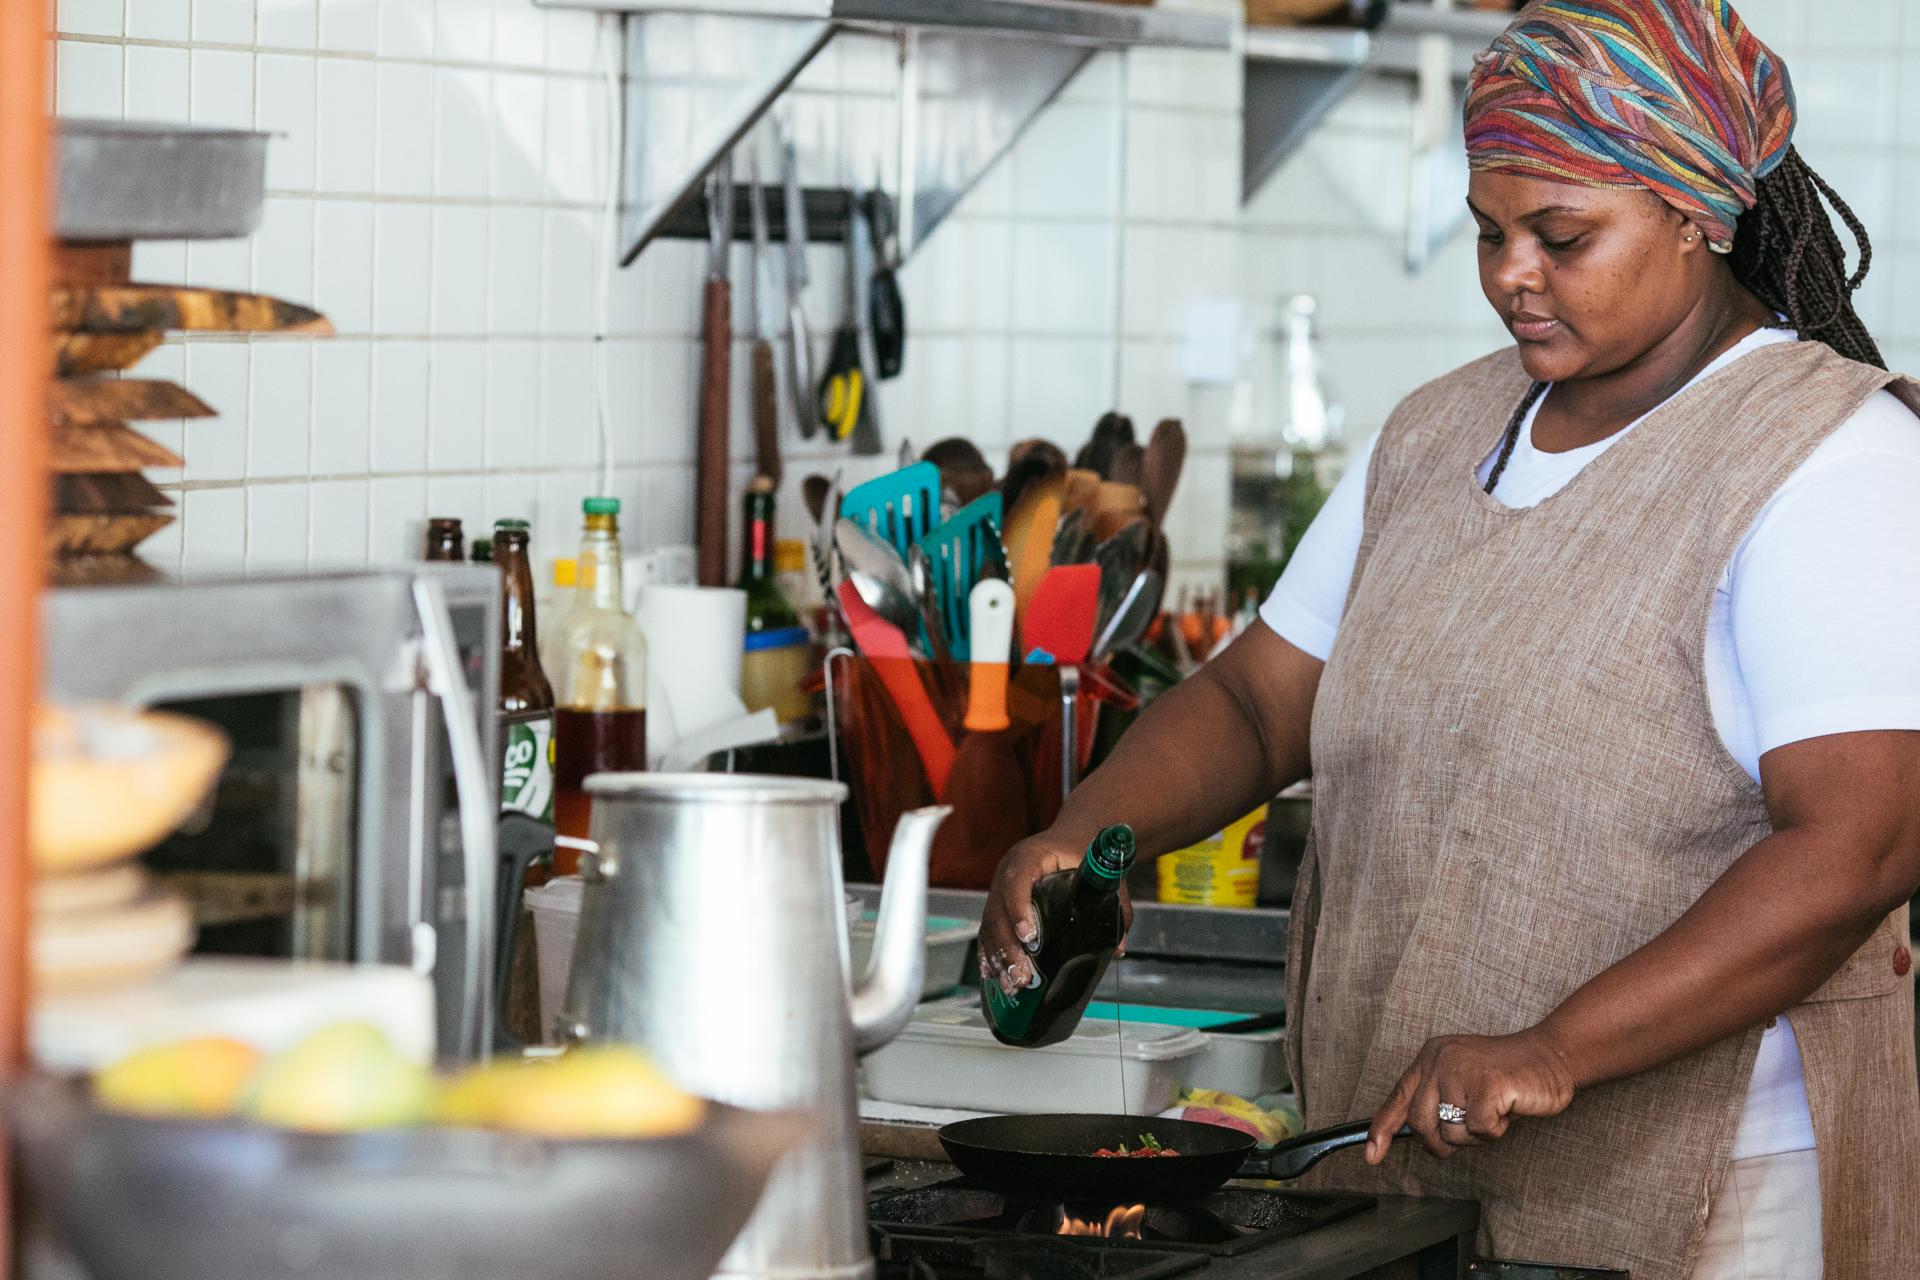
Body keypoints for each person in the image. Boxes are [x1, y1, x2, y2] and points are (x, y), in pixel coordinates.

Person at [978, 1, 1920, 1275]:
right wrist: (1083, 833)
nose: (1510, 274)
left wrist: (1556, 1046)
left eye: (1561, 235)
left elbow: (1855, 848)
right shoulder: (1441, 430)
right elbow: (1262, 701)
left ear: (1701, 212)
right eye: (1489, 231)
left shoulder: (1831, 461)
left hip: (1714, 1187)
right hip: (1406, 1163)